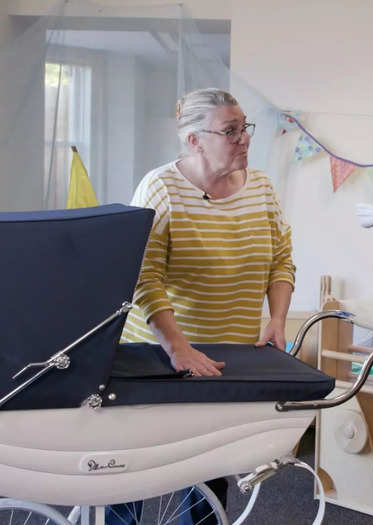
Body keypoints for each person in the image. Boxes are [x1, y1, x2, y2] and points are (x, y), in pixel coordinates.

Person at [112, 87, 295, 524]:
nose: (244, 138)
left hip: (224, 355)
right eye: (230, 131)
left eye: (244, 127)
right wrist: (178, 349)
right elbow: (143, 277)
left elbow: (281, 259)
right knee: (132, 468)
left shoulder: (262, 188)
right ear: (195, 140)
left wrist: (277, 319)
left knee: (204, 471)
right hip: (155, 354)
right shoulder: (162, 188)